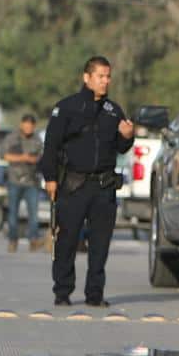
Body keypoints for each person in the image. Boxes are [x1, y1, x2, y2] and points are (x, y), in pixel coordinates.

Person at [38, 56, 135, 307]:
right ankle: (62, 291)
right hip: (73, 184)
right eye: (100, 76)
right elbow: (51, 146)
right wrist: (50, 178)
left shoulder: (113, 111)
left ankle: (95, 294)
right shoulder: (67, 108)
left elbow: (121, 147)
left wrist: (128, 136)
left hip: (103, 186)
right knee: (67, 240)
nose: (105, 81)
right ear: (87, 77)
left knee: (100, 244)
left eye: (108, 76)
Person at [2, 113, 44, 253]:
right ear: (21, 125)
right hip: (14, 180)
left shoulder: (37, 139)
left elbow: (41, 156)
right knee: (13, 213)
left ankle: (33, 240)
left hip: (32, 181)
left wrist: (34, 160)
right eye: (26, 125)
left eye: (31, 126)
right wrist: (22, 157)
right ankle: (13, 240)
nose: (28, 128)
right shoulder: (12, 138)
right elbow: (4, 155)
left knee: (33, 213)